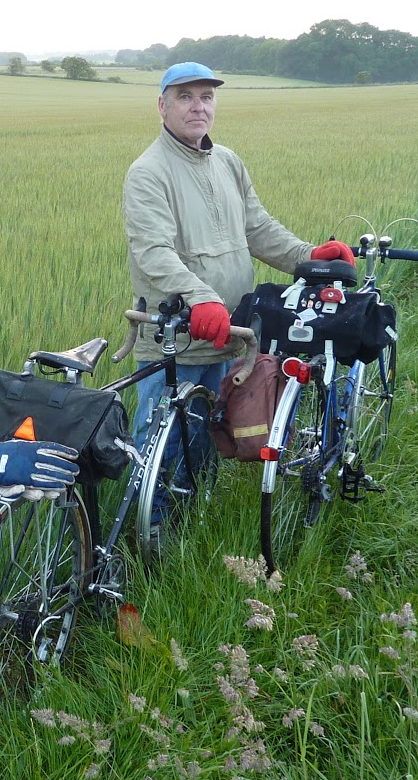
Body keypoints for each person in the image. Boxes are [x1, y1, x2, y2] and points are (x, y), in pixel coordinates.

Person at [124, 62, 354, 521]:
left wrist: (309, 256)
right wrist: (200, 298)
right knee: (161, 456)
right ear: (162, 106)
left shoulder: (227, 161)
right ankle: (146, 544)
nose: (198, 106)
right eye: (185, 97)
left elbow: (258, 228)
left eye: (206, 97)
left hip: (231, 335)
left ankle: (192, 531)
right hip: (179, 339)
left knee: (208, 444)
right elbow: (153, 251)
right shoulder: (148, 172)